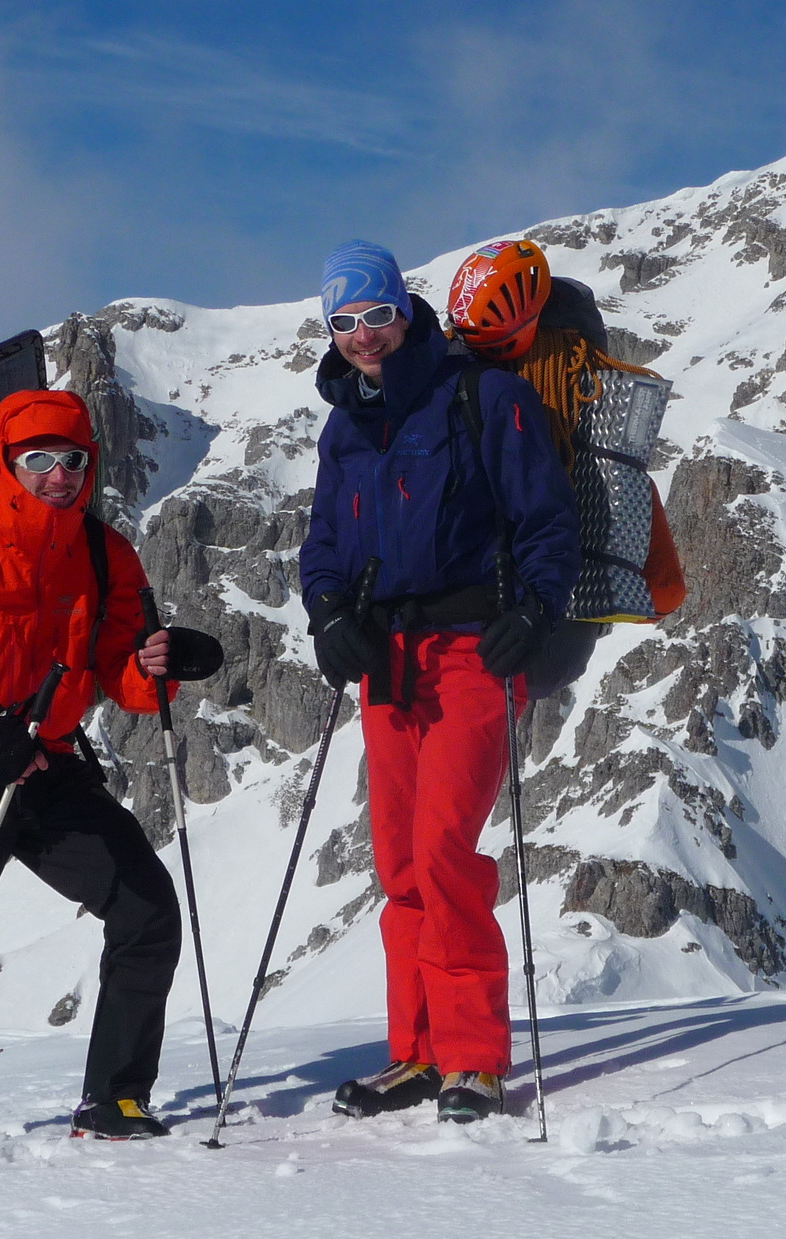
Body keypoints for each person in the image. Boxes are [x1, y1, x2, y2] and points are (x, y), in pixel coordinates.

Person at [302, 240, 580, 1124]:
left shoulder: (484, 396)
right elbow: (323, 548)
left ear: (405, 309)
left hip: (472, 652)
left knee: (444, 852)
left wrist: (533, 616)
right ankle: (416, 1053)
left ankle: (473, 1058)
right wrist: (329, 616)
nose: (364, 337)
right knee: (397, 865)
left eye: (377, 316)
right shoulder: (344, 427)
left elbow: (546, 521)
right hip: (387, 663)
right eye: (344, 323)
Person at [0, 389, 183, 1151]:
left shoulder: (105, 552)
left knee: (147, 906)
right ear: (8, 466)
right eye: (38, 460)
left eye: (72, 460)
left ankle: (117, 1100)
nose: (57, 474)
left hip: (46, 761)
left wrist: (164, 668)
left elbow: (123, 670)